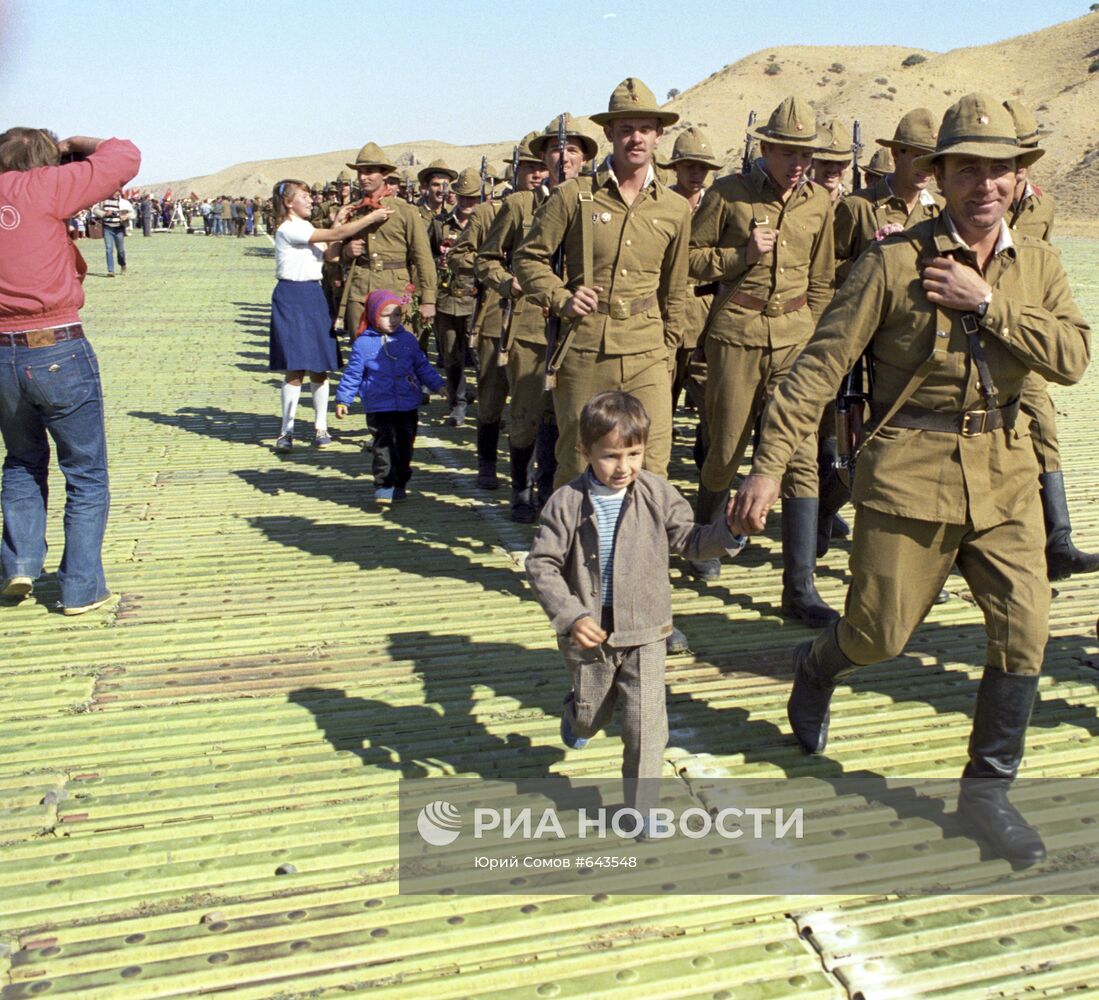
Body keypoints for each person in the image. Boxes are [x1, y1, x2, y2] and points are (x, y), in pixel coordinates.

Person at [730, 94, 1091, 868]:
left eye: (998, 170)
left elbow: (1069, 359)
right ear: (939, 177)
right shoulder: (893, 261)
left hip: (1005, 477)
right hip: (908, 476)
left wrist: (988, 304)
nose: (983, 185)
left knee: (1025, 631)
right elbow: (818, 367)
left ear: (1018, 180)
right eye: (967, 169)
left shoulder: (1038, 264)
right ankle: (816, 665)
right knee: (878, 635)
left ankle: (986, 792)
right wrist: (766, 469)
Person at [526, 392, 745, 827]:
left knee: (646, 725)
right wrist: (571, 616)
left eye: (634, 453)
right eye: (610, 456)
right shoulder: (566, 502)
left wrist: (732, 531)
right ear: (585, 451)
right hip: (590, 634)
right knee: (593, 716)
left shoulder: (657, 492)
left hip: (647, 628)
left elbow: (692, 541)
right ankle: (576, 716)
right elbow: (542, 564)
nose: (624, 466)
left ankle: (642, 811)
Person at [686, 96, 837, 629]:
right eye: (787, 152)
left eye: (806, 153)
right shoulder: (728, 194)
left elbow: (822, 279)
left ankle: (799, 587)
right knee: (725, 446)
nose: (799, 162)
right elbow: (690, 259)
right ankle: (706, 542)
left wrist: (814, 334)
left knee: (798, 456)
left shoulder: (820, 202)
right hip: (737, 334)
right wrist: (741, 257)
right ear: (765, 148)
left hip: (796, 337)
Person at [514, 78, 690, 491]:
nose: (635, 138)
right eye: (626, 129)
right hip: (586, 346)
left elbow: (675, 289)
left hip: (648, 348)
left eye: (645, 128)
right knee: (578, 461)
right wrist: (560, 297)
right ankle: (569, 551)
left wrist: (667, 350)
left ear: (658, 135)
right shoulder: (573, 196)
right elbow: (528, 258)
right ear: (609, 133)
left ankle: (639, 553)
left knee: (653, 463)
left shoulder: (675, 208)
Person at [0, 127, 140, 614]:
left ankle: (19, 563)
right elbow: (124, 156)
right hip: (56, 344)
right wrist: (77, 145)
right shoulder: (44, 186)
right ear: (45, 162)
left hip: (2, 351)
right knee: (84, 470)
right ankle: (81, 586)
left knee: (20, 460)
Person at [1002, 99, 1099, 581]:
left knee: (1043, 429)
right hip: (973, 338)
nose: (1014, 170)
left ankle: (1057, 540)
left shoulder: (1045, 207)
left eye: (1021, 161)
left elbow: (1044, 269)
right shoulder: (970, 202)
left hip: (1025, 338)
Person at [268, 178, 391, 452]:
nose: (311, 201)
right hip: (292, 296)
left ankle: (320, 427)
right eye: (304, 196)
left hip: (313, 294)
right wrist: (369, 217)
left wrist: (338, 224)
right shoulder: (288, 229)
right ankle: (286, 430)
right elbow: (334, 238)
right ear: (289, 202)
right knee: (295, 367)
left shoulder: (307, 227)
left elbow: (332, 256)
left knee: (319, 366)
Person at [334, 290, 445, 504]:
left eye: (396, 315)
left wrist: (438, 385)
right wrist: (343, 399)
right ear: (374, 315)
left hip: (406, 403)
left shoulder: (408, 340)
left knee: (405, 445)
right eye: (386, 315)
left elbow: (422, 366)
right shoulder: (363, 343)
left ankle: (400, 482)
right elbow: (353, 374)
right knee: (383, 445)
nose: (392, 320)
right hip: (378, 404)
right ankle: (384, 484)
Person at [661, 126, 720, 464]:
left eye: (702, 168)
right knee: (657, 409)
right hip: (666, 319)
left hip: (705, 322)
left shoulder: (717, 205)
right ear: (676, 168)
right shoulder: (662, 204)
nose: (696, 174)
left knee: (712, 408)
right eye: (689, 167)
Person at [337, 143, 437, 343]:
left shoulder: (404, 211)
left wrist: (428, 299)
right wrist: (347, 251)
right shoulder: (353, 211)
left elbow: (423, 257)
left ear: (384, 175)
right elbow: (335, 255)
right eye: (360, 172)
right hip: (360, 290)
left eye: (370, 171)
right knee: (362, 349)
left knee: (397, 351)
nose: (363, 177)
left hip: (395, 290)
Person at [93, 188, 132, 276]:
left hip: (119, 228)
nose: (115, 193)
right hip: (107, 228)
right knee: (109, 249)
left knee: (120, 250)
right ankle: (111, 270)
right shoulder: (104, 201)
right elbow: (95, 210)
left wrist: (126, 216)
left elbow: (133, 213)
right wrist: (104, 213)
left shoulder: (124, 202)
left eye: (117, 191)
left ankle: (123, 264)